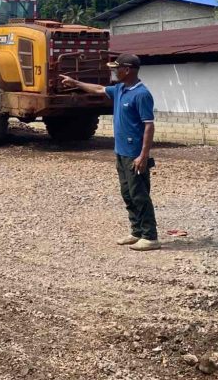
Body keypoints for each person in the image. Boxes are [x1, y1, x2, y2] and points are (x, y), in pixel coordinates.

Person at [60, 53, 160, 252]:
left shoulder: (141, 94)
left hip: (134, 154)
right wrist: (74, 82)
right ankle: (136, 231)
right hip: (121, 152)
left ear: (128, 69)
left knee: (139, 194)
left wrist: (143, 155)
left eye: (116, 68)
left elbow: (149, 126)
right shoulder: (120, 89)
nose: (113, 72)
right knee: (127, 194)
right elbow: (97, 88)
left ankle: (150, 236)